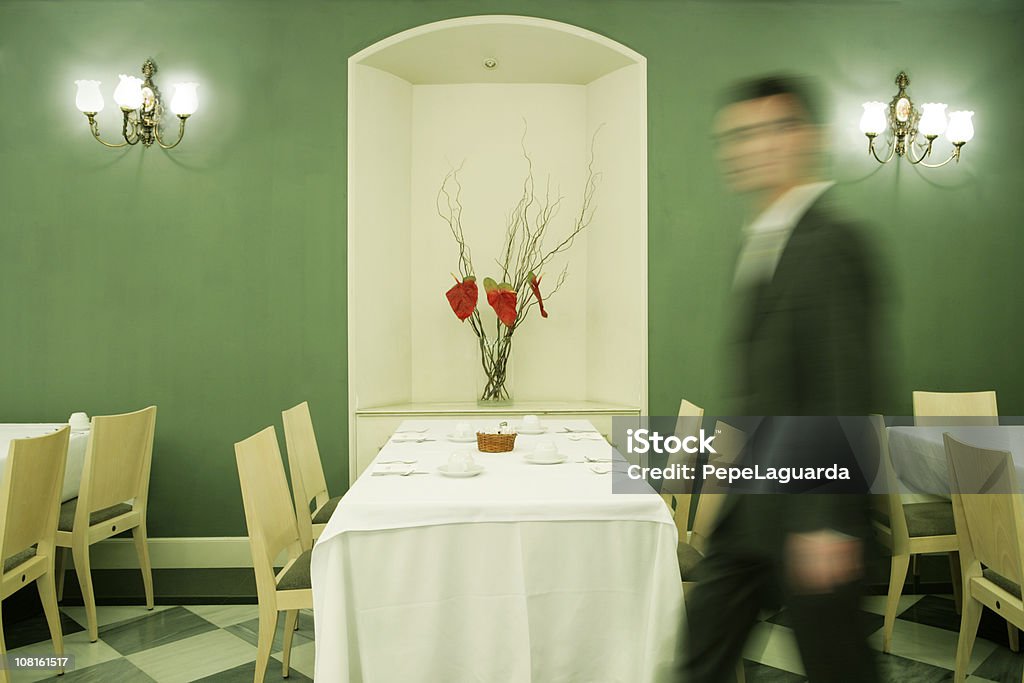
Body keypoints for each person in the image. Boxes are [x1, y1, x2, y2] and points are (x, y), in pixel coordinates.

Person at [677, 75, 882, 682]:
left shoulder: (832, 243)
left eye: (772, 130)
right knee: (700, 657)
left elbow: (845, 387)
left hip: (809, 513)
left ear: (808, 138)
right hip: (752, 511)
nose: (752, 148)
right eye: (738, 136)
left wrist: (830, 522)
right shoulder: (764, 241)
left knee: (838, 666)